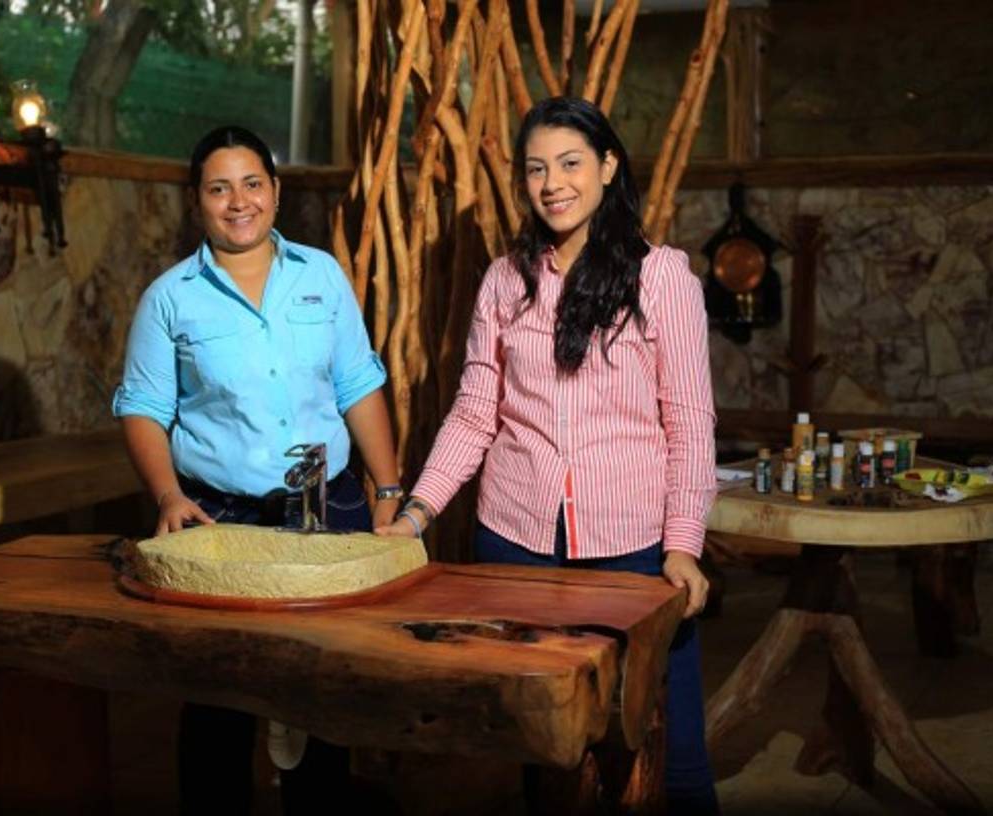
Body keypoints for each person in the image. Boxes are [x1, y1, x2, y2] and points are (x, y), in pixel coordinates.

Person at [378, 97, 719, 813]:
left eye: (569, 163)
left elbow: (689, 424)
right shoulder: (506, 281)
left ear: (608, 166)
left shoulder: (662, 278)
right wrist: (415, 514)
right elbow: (476, 411)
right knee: (541, 745)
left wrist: (683, 546)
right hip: (515, 540)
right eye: (536, 169)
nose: (553, 183)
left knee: (670, 746)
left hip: (633, 548)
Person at [113, 125, 401, 814]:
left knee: (323, 686)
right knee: (217, 693)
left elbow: (358, 384)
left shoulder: (320, 275)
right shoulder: (170, 298)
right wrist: (168, 496)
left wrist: (388, 486)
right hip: (221, 519)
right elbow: (143, 409)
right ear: (197, 201)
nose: (238, 201)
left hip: (326, 508)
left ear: (275, 191)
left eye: (251, 184)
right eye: (219, 188)